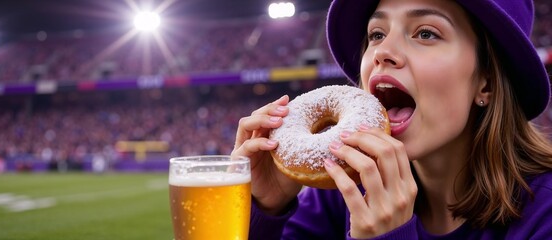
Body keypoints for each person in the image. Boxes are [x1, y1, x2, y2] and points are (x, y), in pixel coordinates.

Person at [232, 0, 552, 239]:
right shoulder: (342, 189)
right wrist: (264, 210)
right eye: (376, 33)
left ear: (488, 82)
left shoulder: (544, 215)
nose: (383, 51)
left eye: (426, 33)